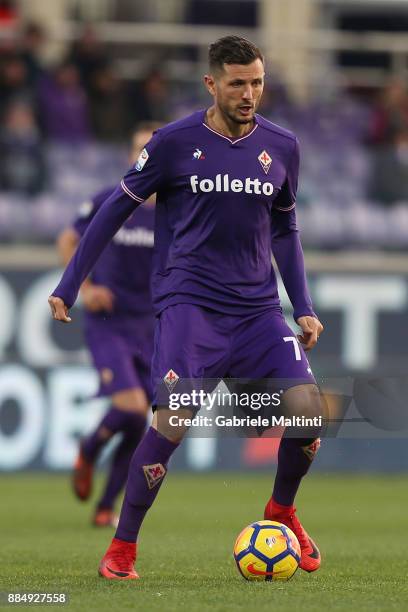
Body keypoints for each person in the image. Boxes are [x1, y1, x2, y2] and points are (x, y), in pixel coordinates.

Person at [49, 36, 324, 580]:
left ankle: (282, 511)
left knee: (309, 413)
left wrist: (304, 306)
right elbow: (110, 213)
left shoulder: (283, 145)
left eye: (257, 82)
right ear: (211, 84)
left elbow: (286, 229)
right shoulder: (173, 142)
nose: (249, 94)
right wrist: (69, 283)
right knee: (171, 423)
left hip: (258, 311)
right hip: (190, 308)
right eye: (238, 84)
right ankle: (122, 547)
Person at [56, 123, 158, 527]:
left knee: (140, 421)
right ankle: (88, 448)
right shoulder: (112, 198)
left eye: (151, 149)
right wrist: (87, 285)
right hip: (110, 322)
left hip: (153, 324)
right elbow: (67, 240)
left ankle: (105, 507)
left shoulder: (178, 207)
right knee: (131, 406)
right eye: (138, 149)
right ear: (130, 156)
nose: (143, 156)